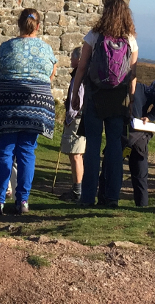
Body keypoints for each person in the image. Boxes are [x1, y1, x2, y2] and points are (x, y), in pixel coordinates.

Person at [0, 8, 58, 215]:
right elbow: (50, 77)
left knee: (5, 150)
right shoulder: (47, 50)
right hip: (36, 103)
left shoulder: (5, 48)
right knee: (27, 151)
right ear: (38, 26)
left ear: (19, 23)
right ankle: (23, 201)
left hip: (6, 101)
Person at [70, 0, 139, 207]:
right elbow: (132, 76)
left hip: (95, 96)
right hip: (118, 99)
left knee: (92, 147)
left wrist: (75, 93)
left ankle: (88, 197)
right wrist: (132, 103)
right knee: (114, 149)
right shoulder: (130, 39)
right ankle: (112, 197)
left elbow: (81, 67)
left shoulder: (94, 35)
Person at [127, 75, 155, 206]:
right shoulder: (143, 88)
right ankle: (142, 204)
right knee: (140, 170)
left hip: (125, 135)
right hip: (140, 135)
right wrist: (150, 116)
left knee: (113, 163)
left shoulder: (119, 88)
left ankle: (107, 199)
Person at [58, 48, 87, 202]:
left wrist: (71, 116)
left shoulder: (80, 76)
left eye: (72, 58)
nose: (70, 61)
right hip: (81, 118)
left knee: (75, 155)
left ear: (79, 59)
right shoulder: (83, 75)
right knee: (77, 155)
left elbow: (79, 99)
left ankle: (77, 191)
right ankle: (77, 189)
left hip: (77, 119)